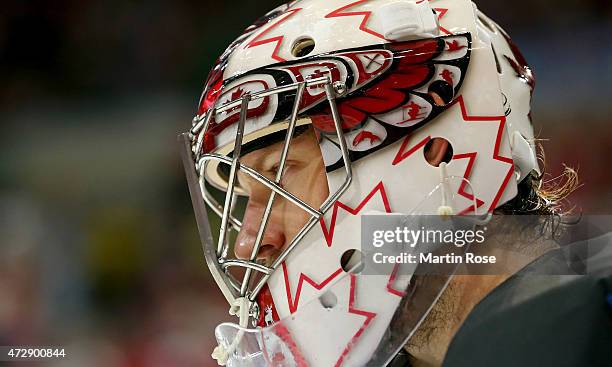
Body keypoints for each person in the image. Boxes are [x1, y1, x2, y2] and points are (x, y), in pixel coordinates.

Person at [180, 0, 611, 365]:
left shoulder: (576, 316)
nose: (248, 243)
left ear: (437, 151)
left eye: (279, 173)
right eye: (246, 198)